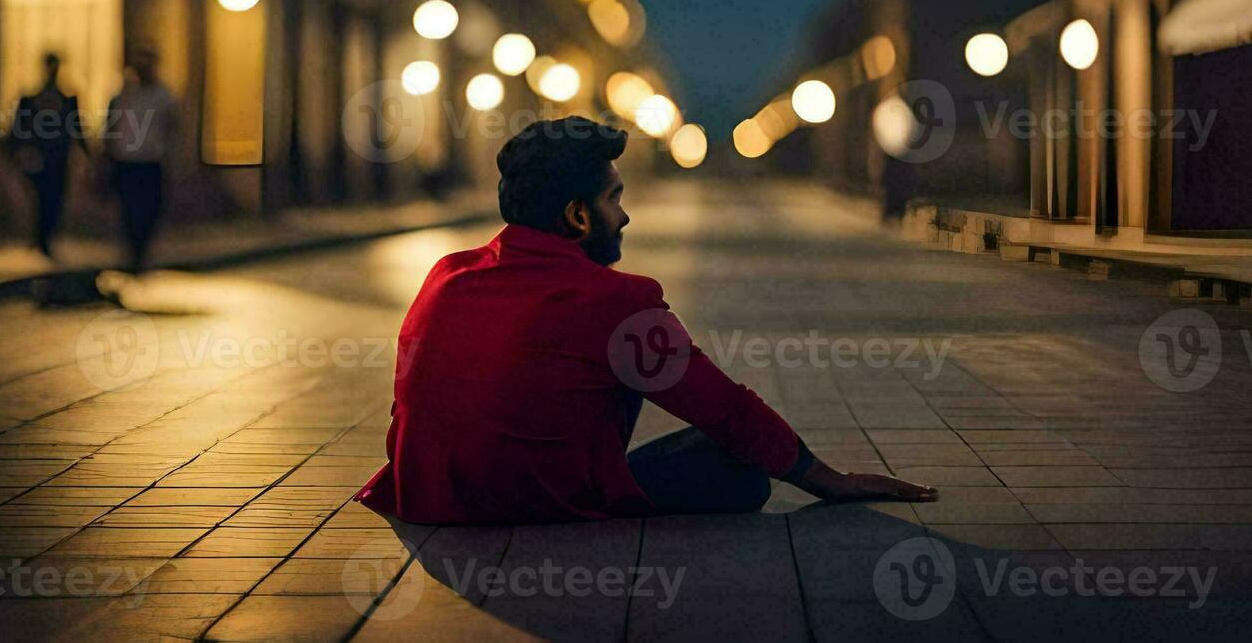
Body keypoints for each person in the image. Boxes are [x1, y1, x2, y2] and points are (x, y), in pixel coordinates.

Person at [357, 116, 938, 524]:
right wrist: (826, 479)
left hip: (428, 496)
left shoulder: (448, 272)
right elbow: (720, 406)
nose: (626, 214)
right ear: (578, 215)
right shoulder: (613, 300)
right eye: (614, 198)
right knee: (741, 472)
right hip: (535, 500)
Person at [105, 47, 178, 272]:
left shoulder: (165, 97)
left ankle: (141, 252)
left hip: (150, 162)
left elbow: (172, 129)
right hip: (126, 161)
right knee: (128, 209)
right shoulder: (124, 96)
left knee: (149, 210)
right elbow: (112, 126)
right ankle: (132, 253)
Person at [8, 53, 88, 257]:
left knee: (54, 199)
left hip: (58, 159)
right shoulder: (31, 100)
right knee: (42, 198)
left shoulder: (66, 100)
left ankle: (44, 236)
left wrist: (88, 153)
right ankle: (41, 237)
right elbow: (19, 130)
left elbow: (76, 127)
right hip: (38, 159)